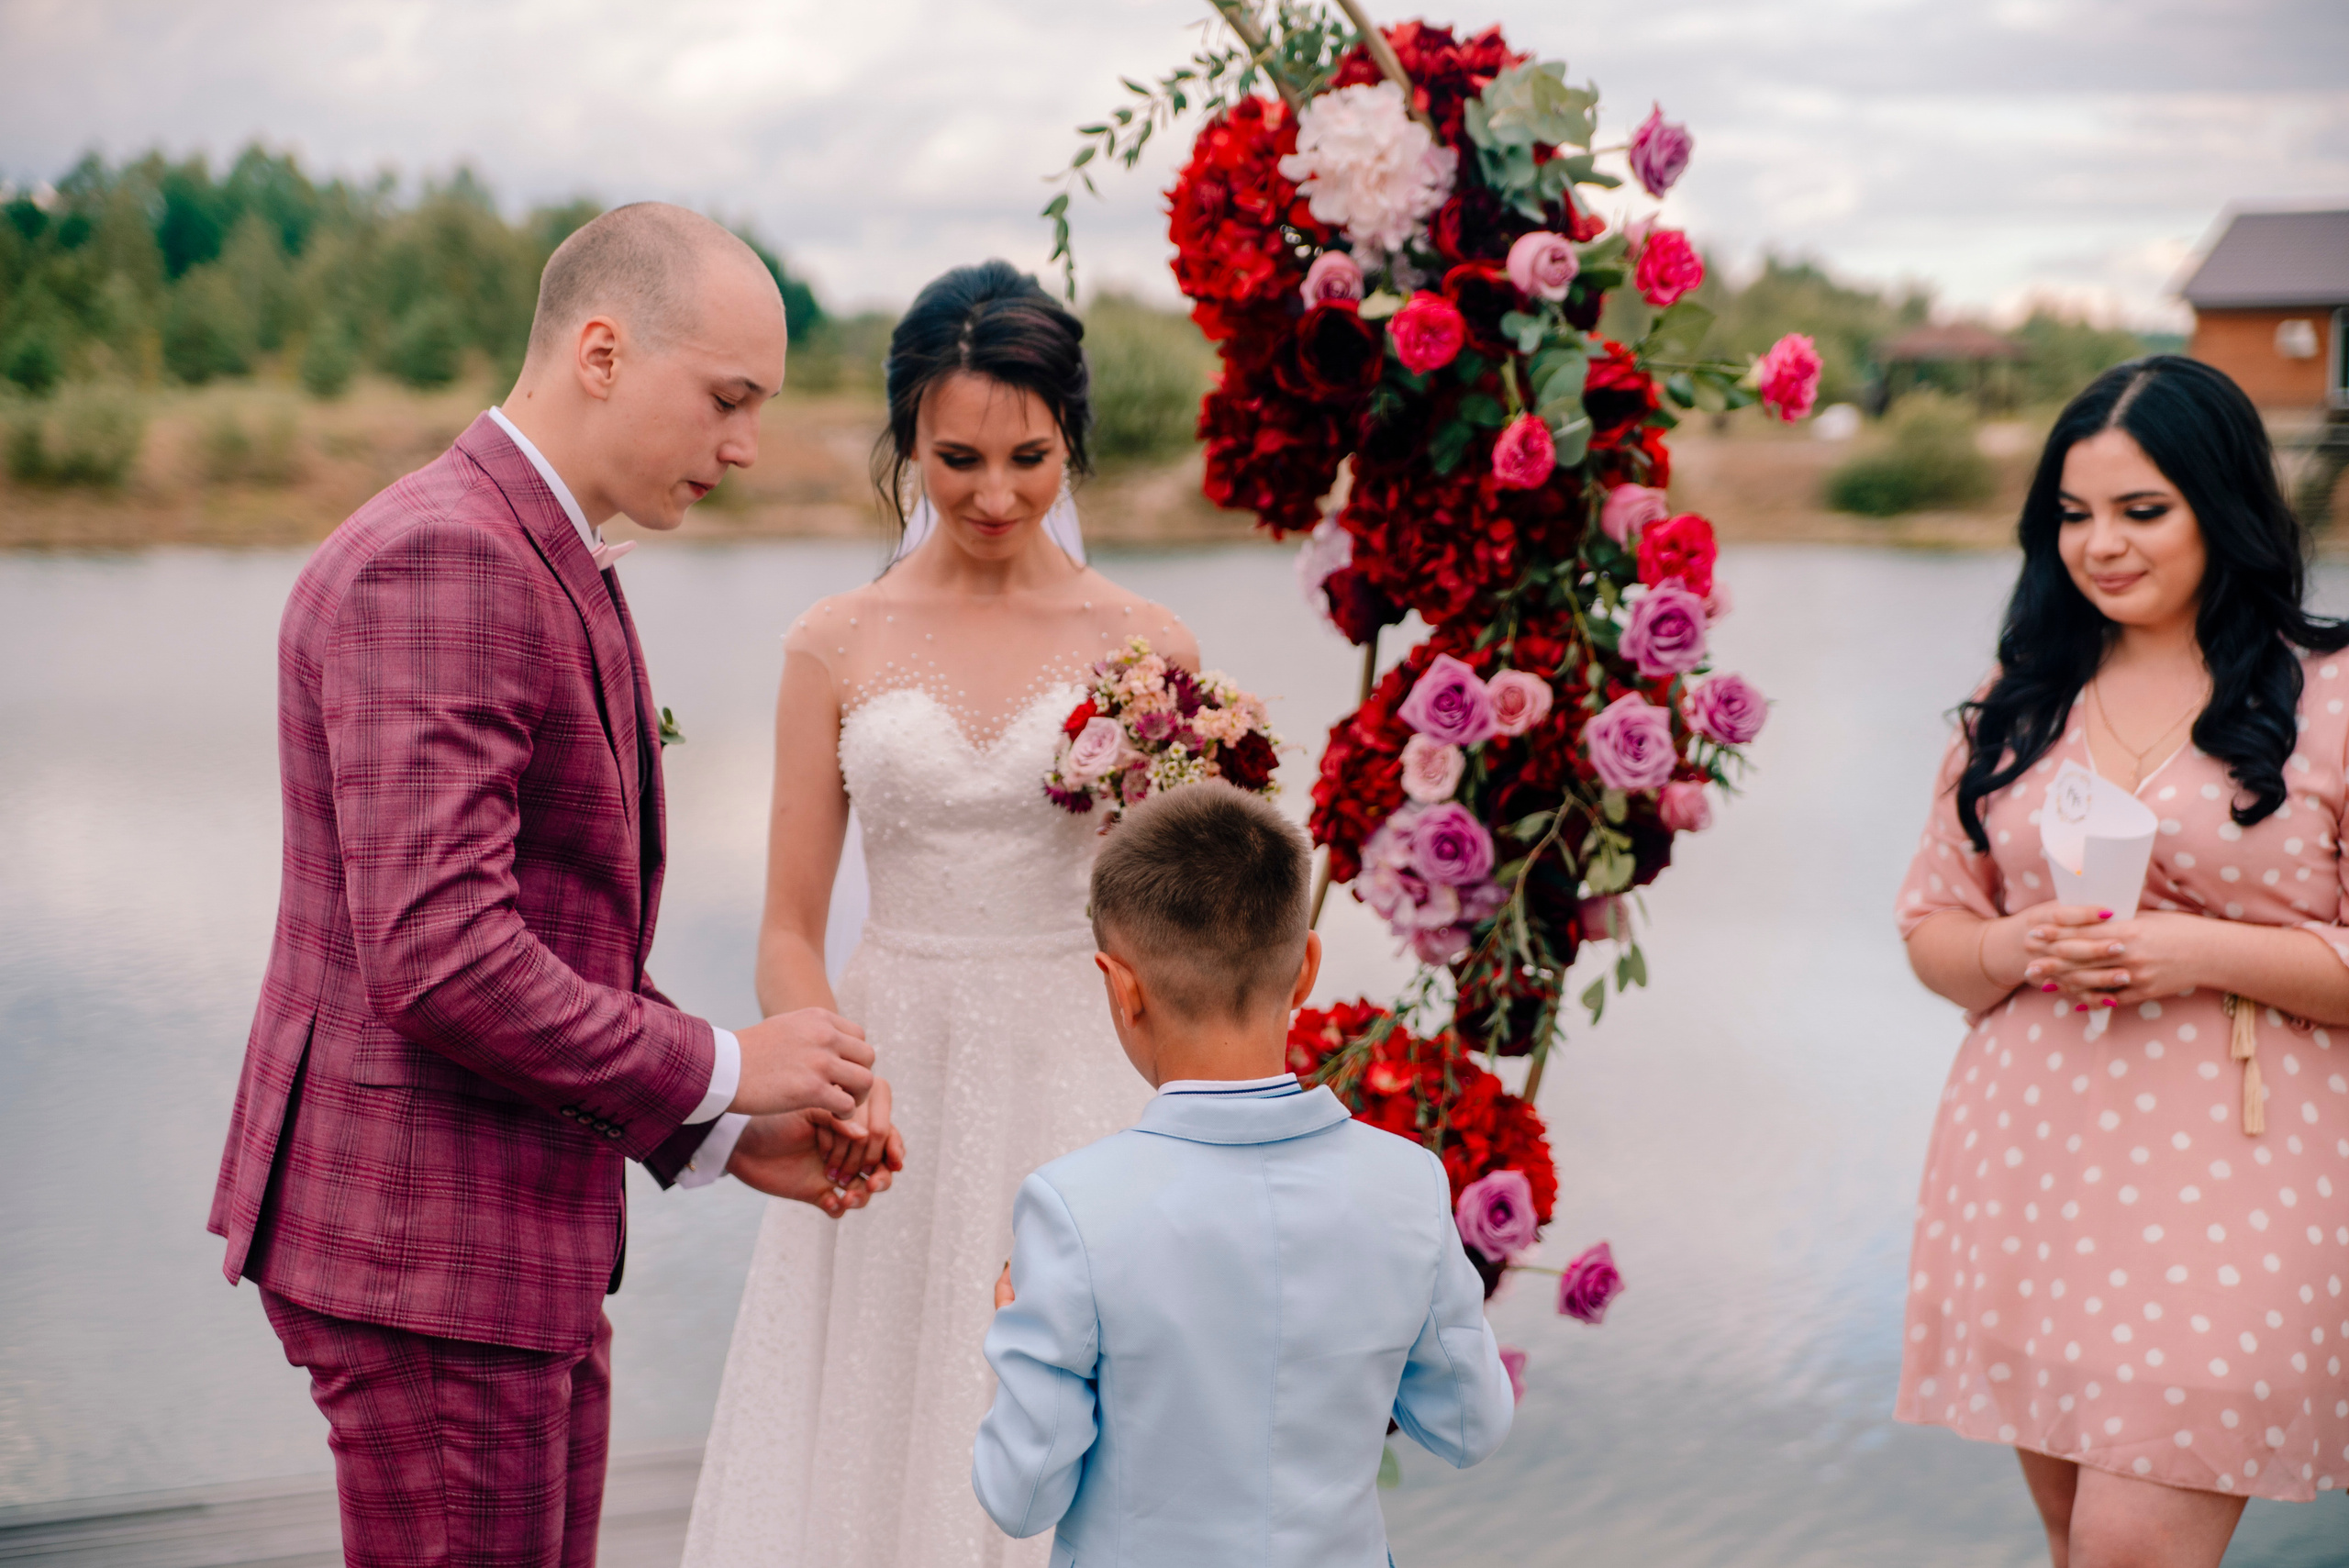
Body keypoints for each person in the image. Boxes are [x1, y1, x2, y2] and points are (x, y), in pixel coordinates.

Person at [206, 203, 902, 1568]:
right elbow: (444, 956)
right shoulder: (449, 558)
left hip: (493, 1242)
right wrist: (724, 1059)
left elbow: (545, 928)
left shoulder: (532, 545)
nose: (747, 445)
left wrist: (703, 1130)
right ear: (600, 350)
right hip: (430, 1254)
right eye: (726, 398)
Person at [682, 260, 1197, 1568]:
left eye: (1031, 457)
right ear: (905, 438)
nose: (994, 493)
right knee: (882, 1421)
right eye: (956, 456)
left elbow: (1180, 923)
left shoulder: (1149, 650)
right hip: (888, 1075)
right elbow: (790, 928)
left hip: (1081, 1072)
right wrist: (831, 1071)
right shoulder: (834, 642)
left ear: (1070, 439)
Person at [1895, 355, 2349, 1567]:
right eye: (2075, 515)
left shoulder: (2333, 697)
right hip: (2034, 1166)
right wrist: (2008, 942)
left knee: (2131, 1548)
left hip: (2239, 1186)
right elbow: (1933, 930)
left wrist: (2197, 950)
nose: (2102, 545)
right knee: (2071, 1539)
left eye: (2142, 511)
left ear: (2227, 505)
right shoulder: (2018, 705)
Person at [973, 783, 1516, 1564]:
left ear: (1120, 987)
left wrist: (1017, 1337)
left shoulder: (1074, 1207)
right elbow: (1470, 1426)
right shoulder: (1409, 1184)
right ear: (1306, 970)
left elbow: (1021, 1497)